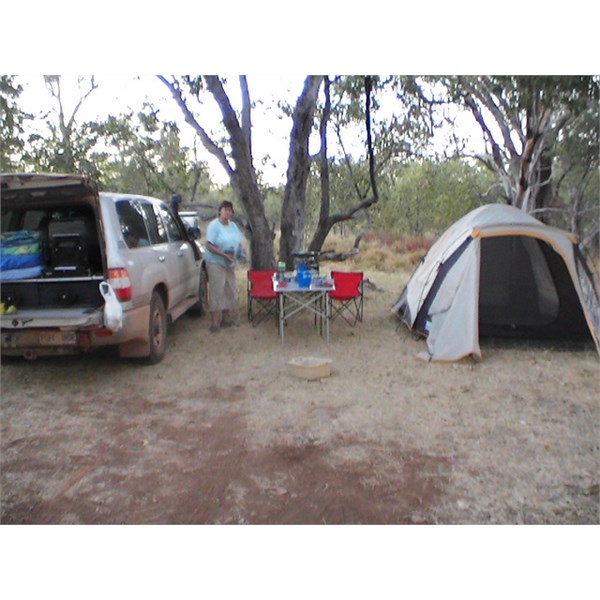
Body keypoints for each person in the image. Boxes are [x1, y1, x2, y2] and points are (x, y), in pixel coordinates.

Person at [204, 201, 243, 333]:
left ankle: (226, 318)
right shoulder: (214, 226)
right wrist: (223, 255)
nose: (227, 212)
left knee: (230, 289)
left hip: (230, 262)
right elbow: (209, 245)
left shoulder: (233, 226)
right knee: (217, 290)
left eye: (229, 210)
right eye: (225, 210)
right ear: (220, 211)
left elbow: (239, 242)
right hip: (216, 261)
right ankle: (215, 322)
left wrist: (239, 253)